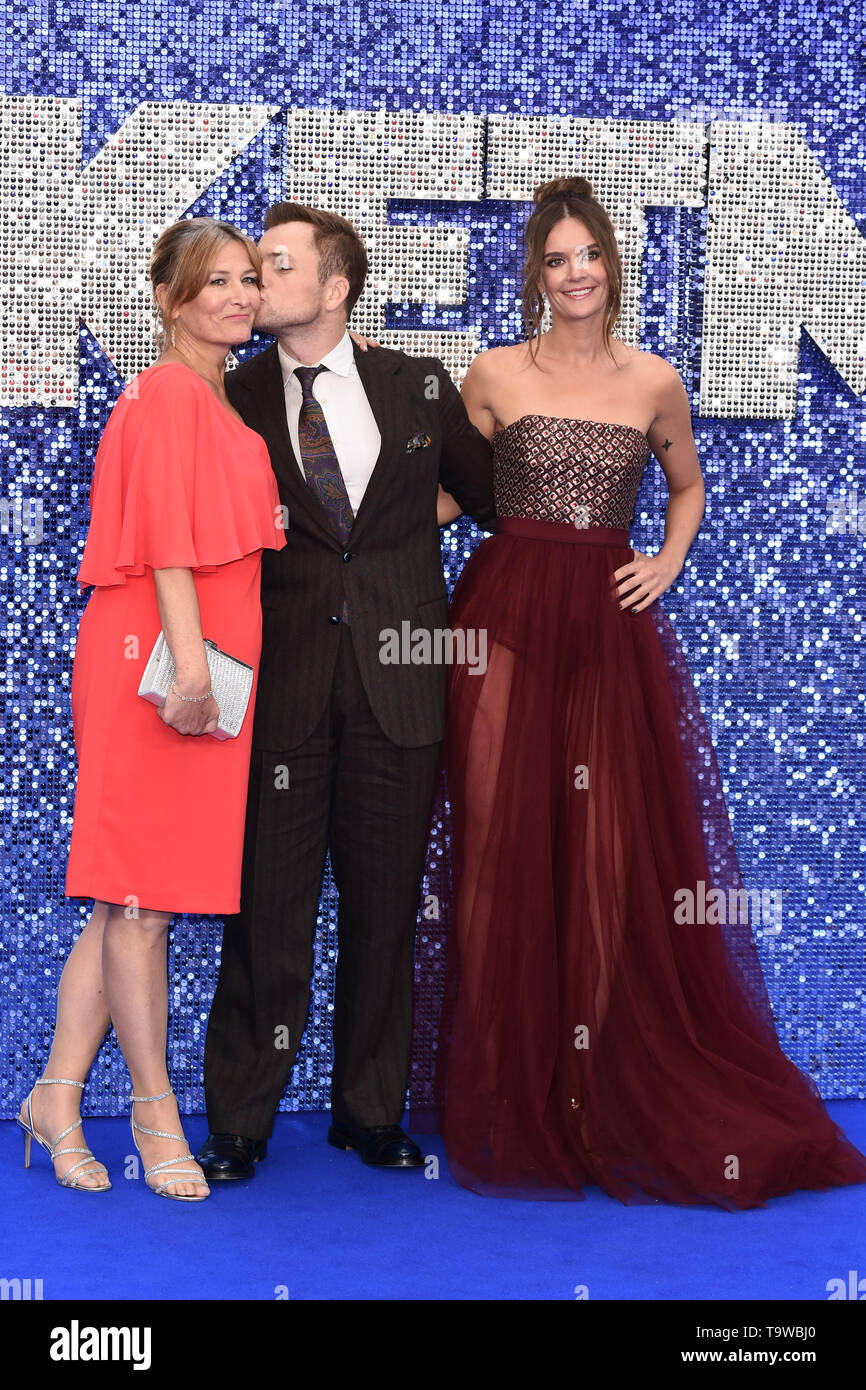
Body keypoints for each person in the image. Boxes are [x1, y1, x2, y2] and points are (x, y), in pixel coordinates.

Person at [428, 176, 866, 1208]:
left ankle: (591, 1089)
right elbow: (450, 492)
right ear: (533, 275)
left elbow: (686, 485)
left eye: (588, 255)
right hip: (499, 626)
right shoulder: (488, 376)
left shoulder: (654, 383)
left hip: (607, 634)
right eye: (554, 259)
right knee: (497, 846)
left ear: (611, 266)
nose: (574, 273)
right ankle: (506, 1090)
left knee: (603, 859)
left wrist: (666, 560)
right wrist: (355, 538)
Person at [196, 202, 496, 1179]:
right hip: (282, 686)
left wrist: (400, 537)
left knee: (384, 908)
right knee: (267, 911)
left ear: (335, 287)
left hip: (399, 687)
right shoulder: (232, 395)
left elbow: (482, 495)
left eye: (275, 266)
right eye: (251, 266)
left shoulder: (415, 386)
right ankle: (240, 1117)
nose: (255, 281)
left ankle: (369, 1112)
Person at [17, 216, 286, 1201]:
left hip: (200, 663)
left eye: (247, 280)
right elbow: (168, 541)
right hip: (162, 660)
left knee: (133, 896)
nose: (237, 296)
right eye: (214, 282)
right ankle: (153, 1110)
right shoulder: (169, 392)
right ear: (170, 300)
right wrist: (183, 667)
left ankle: (54, 1093)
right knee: (140, 903)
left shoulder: (217, 395)